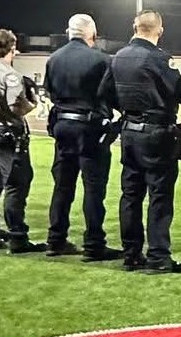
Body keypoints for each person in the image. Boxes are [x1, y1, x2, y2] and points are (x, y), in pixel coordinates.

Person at [100, 10, 181, 273]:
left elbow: (105, 93)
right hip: (157, 132)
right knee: (160, 196)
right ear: (159, 31)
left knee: (131, 194)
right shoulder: (159, 59)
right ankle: (158, 256)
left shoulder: (117, 58)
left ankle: (131, 254)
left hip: (129, 131)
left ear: (134, 26)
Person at [43, 14, 122, 261]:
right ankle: (94, 243)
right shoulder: (101, 60)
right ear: (93, 34)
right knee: (93, 188)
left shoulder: (54, 59)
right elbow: (111, 95)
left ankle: (56, 239)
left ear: (69, 32)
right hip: (90, 128)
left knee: (63, 186)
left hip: (62, 125)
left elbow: (50, 91)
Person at [0, 29, 44, 253]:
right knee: (16, 185)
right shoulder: (9, 75)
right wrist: (33, 104)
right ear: (12, 48)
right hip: (7, 133)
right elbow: (15, 106)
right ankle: (18, 237)